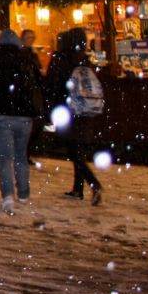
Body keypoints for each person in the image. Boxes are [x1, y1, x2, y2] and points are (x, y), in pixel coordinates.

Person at [0, 29, 42, 213]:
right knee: (21, 155)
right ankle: (23, 193)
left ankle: (7, 196)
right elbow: (37, 85)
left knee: (5, 158)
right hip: (23, 115)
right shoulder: (26, 62)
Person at [45, 27, 104, 205]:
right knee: (78, 149)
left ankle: (93, 183)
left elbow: (53, 85)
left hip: (67, 109)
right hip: (85, 109)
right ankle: (78, 188)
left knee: (73, 150)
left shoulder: (60, 58)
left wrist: (51, 109)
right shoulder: (84, 59)